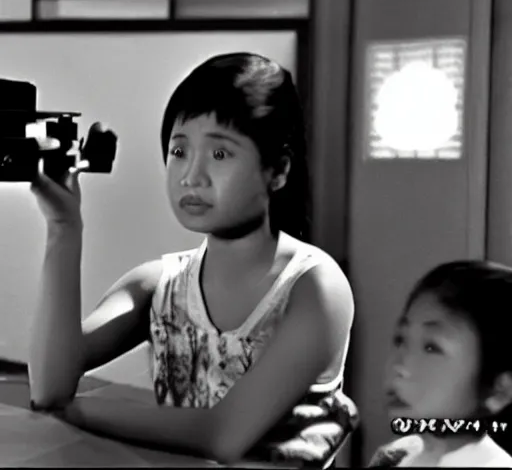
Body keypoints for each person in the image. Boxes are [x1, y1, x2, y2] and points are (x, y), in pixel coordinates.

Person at [28, 53, 354, 465]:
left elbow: (224, 434)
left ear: (279, 170)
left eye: (220, 155)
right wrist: (63, 227)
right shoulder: (156, 284)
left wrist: (75, 411)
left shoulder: (315, 287)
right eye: (179, 151)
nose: (191, 176)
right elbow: (49, 386)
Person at [369, 260, 512, 467]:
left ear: (499, 390)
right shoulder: (395, 457)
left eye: (431, 348)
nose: (400, 367)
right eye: (401, 340)